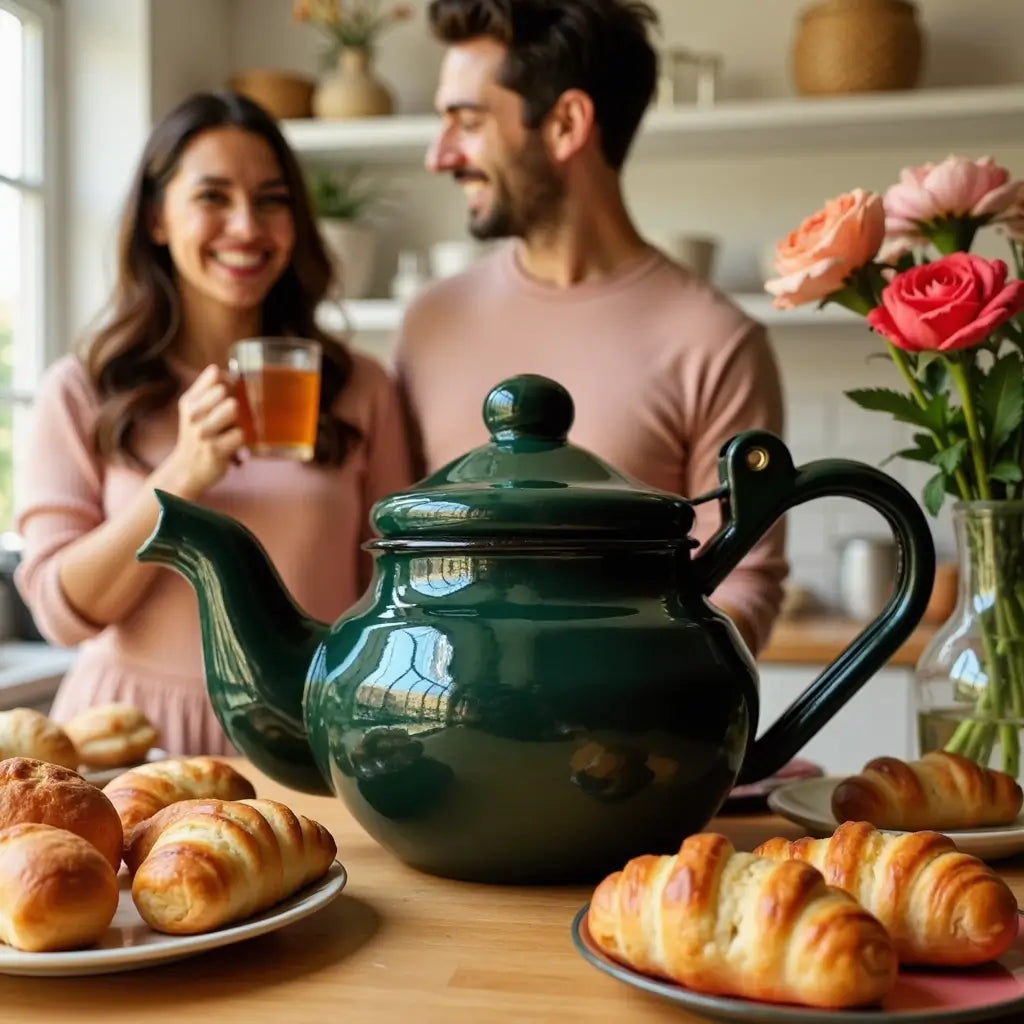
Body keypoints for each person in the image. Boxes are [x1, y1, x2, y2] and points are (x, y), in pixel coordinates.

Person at [15, 92, 413, 756]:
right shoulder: (85, 389)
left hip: (305, 734)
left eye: (271, 199)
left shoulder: (359, 388)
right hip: (126, 739)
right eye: (212, 197)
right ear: (156, 219)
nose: (246, 225)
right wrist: (181, 475)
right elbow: (60, 614)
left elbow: (394, 593)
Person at [394, 0, 788, 656]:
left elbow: (744, 583)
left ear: (567, 123)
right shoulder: (429, 323)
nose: (440, 156)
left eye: (467, 121)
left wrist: (618, 690)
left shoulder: (715, 343)